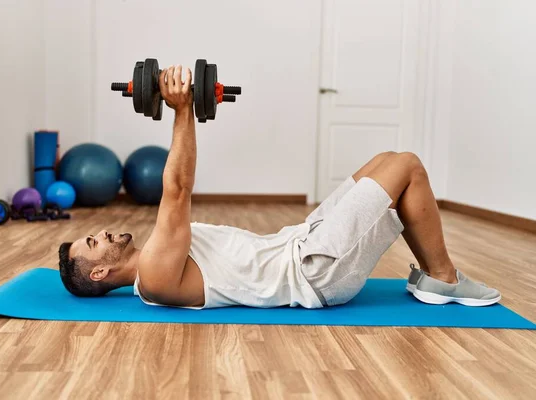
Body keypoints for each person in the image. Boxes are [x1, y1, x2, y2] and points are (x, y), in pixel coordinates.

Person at [58, 65, 501, 309]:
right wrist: (181, 108)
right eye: (93, 243)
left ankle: (432, 279)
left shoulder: (155, 264)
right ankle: (443, 278)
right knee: (408, 166)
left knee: (384, 163)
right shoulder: (154, 274)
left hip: (301, 243)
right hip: (314, 271)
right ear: (100, 273)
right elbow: (176, 187)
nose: (103, 234)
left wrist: (187, 103)